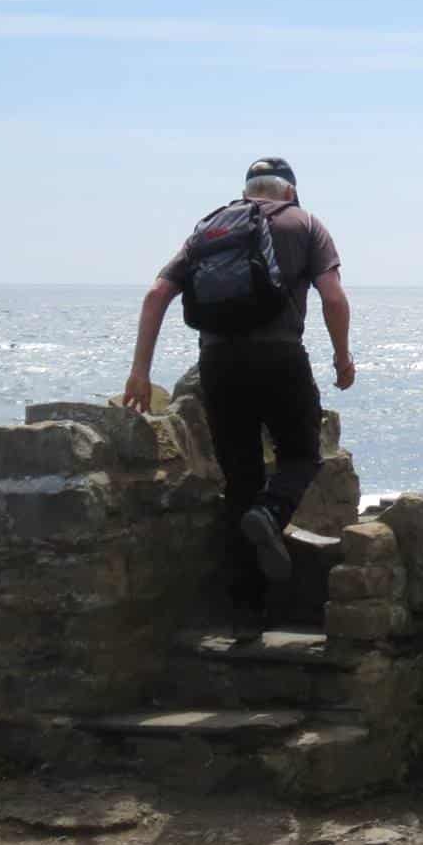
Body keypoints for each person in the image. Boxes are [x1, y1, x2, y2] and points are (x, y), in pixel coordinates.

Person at [121, 157, 355, 628]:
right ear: (289, 191)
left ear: (248, 191)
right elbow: (332, 296)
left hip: (219, 364)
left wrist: (140, 372)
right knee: (301, 456)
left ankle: (247, 616)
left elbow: (155, 296)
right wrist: (342, 358)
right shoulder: (305, 223)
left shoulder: (210, 229)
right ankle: (271, 514)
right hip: (279, 357)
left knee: (240, 482)